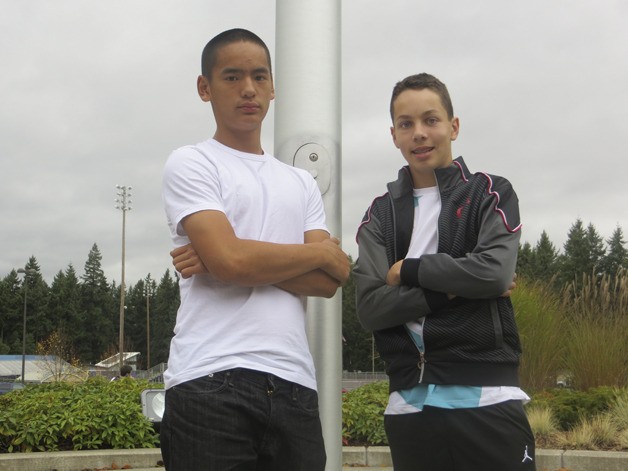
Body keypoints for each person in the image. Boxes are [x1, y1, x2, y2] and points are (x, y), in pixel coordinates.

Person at [160, 28, 350, 471]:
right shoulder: (192, 162)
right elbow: (234, 261)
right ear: (204, 88)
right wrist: (317, 253)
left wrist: (224, 260)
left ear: (273, 87)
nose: (249, 89)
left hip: (294, 388)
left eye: (260, 77)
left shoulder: (300, 181)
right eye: (232, 77)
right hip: (209, 380)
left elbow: (327, 283)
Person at [353, 73, 535, 471]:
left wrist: (411, 270)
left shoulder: (489, 192)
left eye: (430, 120)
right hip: (409, 404)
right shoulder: (379, 215)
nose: (419, 133)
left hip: (488, 396)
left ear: (453, 126)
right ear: (394, 135)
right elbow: (370, 308)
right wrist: (453, 288)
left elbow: (493, 274)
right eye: (406, 124)